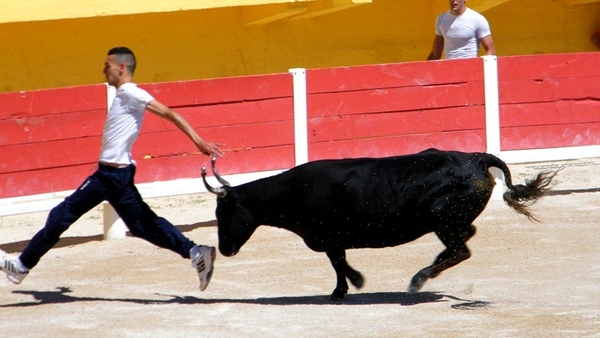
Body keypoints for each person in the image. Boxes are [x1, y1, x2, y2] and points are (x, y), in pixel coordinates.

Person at [0, 47, 223, 291]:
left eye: (107, 65)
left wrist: (198, 140)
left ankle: (21, 266)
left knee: (61, 214)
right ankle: (195, 252)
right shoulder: (123, 95)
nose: (103, 70)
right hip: (119, 174)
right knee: (142, 225)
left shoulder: (131, 92)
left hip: (110, 175)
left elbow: (169, 113)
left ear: (121, 67)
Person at [427, 0, 496, 60]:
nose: (453, 0)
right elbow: (436, 52)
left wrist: (479, 67)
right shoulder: (441, 19)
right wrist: (424, 70)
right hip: (450, 68)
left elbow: (491, 51)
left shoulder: (477, 19)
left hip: (470, 68)